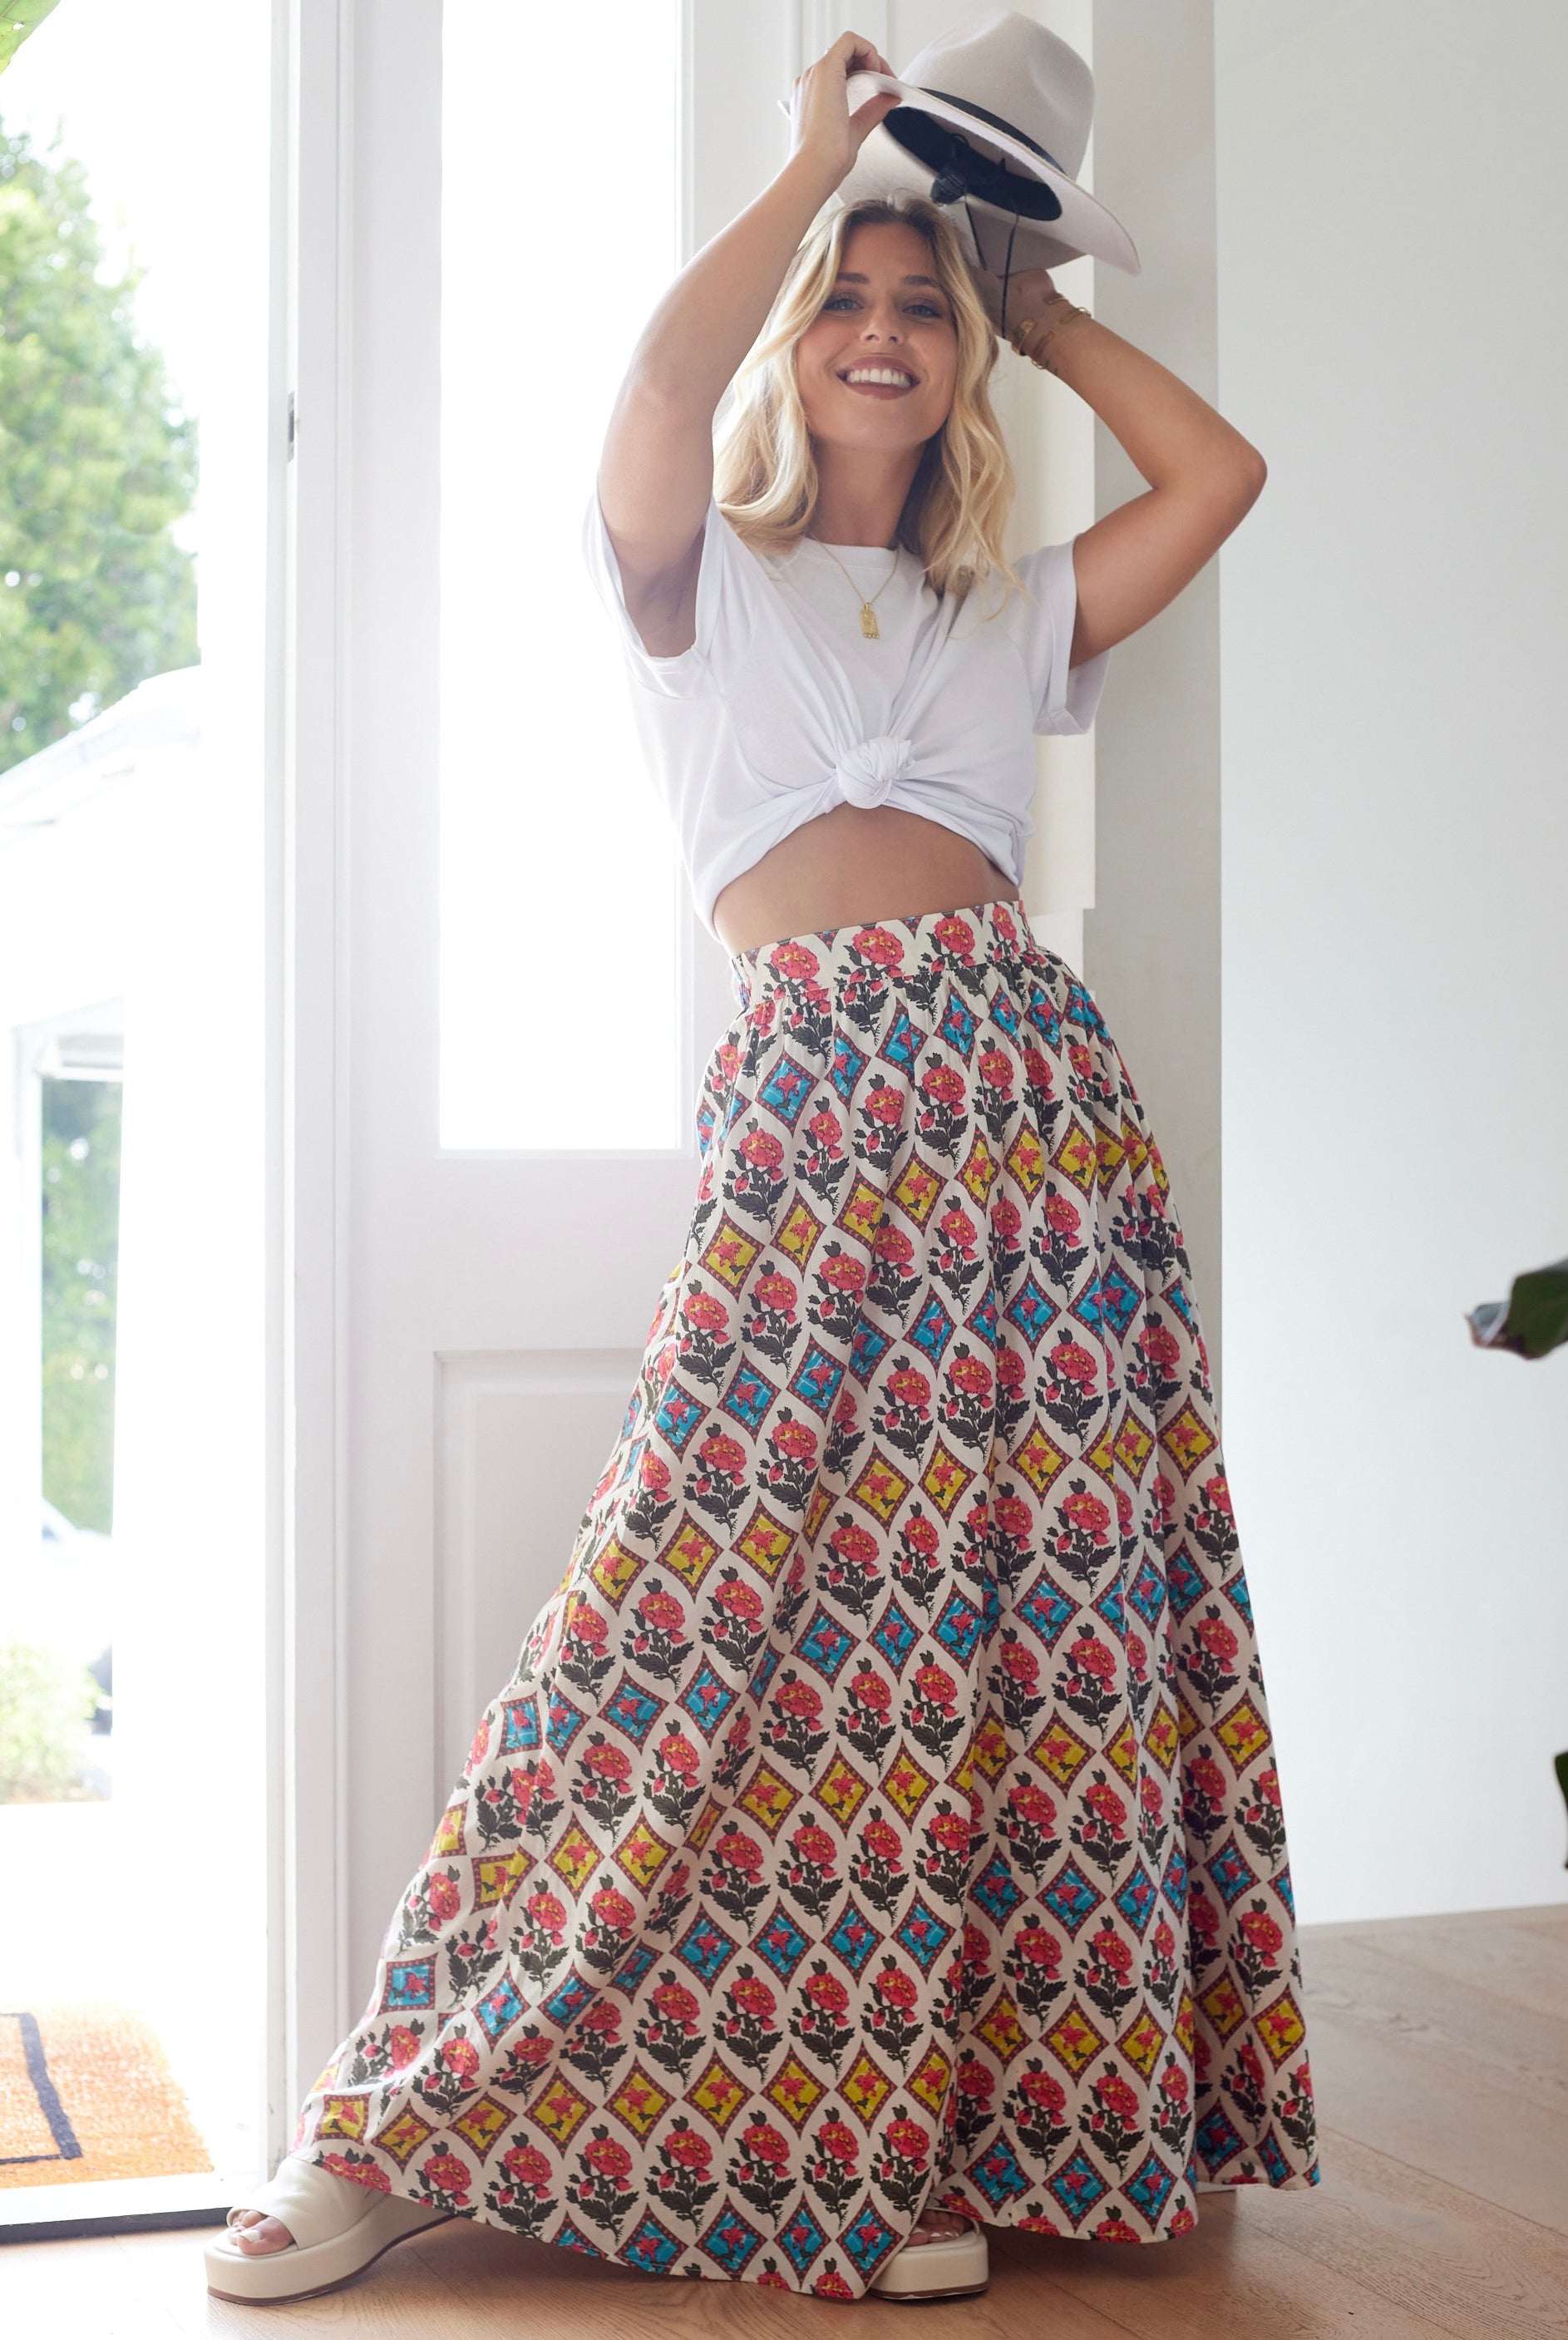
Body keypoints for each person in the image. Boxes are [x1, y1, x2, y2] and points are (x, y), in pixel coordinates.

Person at [207, 17, 1320, 2310]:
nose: (887, 336)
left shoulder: (1005, 615)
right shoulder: (696, 580)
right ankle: (390, 2122)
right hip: (821, 1129)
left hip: (1032, 1142)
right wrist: (802, 182)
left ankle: (914, 2133)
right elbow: (643, 386)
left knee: (1006, 1659)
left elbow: (1223, 480)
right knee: (668, 1630)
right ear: (798, 339)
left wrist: (1046, 308)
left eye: (924, 307)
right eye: (855, 301)